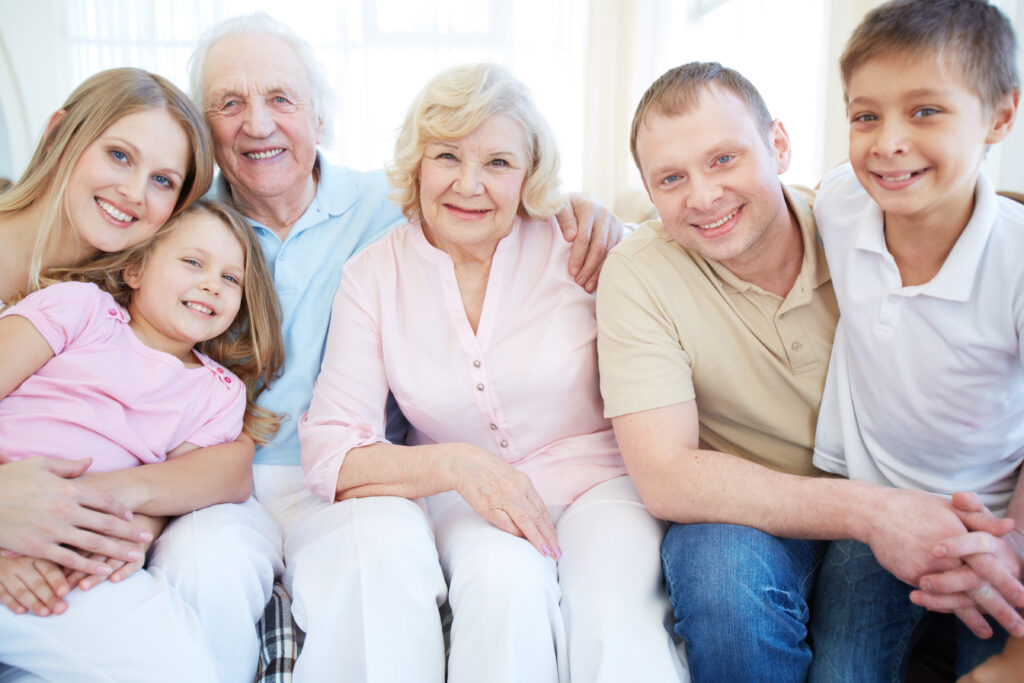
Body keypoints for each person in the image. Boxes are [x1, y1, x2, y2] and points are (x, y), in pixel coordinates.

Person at [140, 13, 624, 681]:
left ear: (319, 117)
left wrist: (583, 209)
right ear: (204, 124)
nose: (257, 124)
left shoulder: (386, 206)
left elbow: (482, 188)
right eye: (230, 103)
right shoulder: (177, 224)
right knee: (199, 570)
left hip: (349, 483)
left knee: (382, 558)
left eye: (280, 98)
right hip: (216, 479)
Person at [596, 60, 1018, 682]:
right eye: (670, 178)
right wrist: (873, 513)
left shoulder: (863, 225)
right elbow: (665, 475)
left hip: (904, 485)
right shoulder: (638, 273)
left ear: (779, 145)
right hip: (765, 510)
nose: (703, 197)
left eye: (723, 159)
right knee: (715, 565)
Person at [297, 63, 685, 683]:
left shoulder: (580, 243)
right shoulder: (373, 276)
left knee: (614, 612)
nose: (469, 185)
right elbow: (330, 452)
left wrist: (622, 228)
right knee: (501, 587)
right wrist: (456, 465)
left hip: (601, 485)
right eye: (447, 156)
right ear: (417, 164)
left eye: (498, 163)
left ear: (529, 173)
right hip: (468, 500)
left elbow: (685, 263)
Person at [807, 0, 1024, 679]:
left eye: (925, 111)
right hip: (875, 514)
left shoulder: (1016, 262)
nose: (888, 142)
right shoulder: (839, 205)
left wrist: (1013, 543)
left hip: (991, 527)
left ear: (1000, 115)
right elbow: (741, 208)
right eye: (865, 115)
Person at [0, 199, 284, 681]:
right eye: (193, 262)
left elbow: (163, 498)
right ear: (136, 268)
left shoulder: (217, 394)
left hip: (71, 566)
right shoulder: (81, 310)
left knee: (185, 665)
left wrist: (94, 554)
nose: (212, 283)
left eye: (231, 278)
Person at [0, 66, 218, 576]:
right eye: (119, 155)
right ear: (58, 136)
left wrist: (132, 527)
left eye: (162, 181)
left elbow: (226, 461)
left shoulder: (109, 307)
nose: (134, 193)